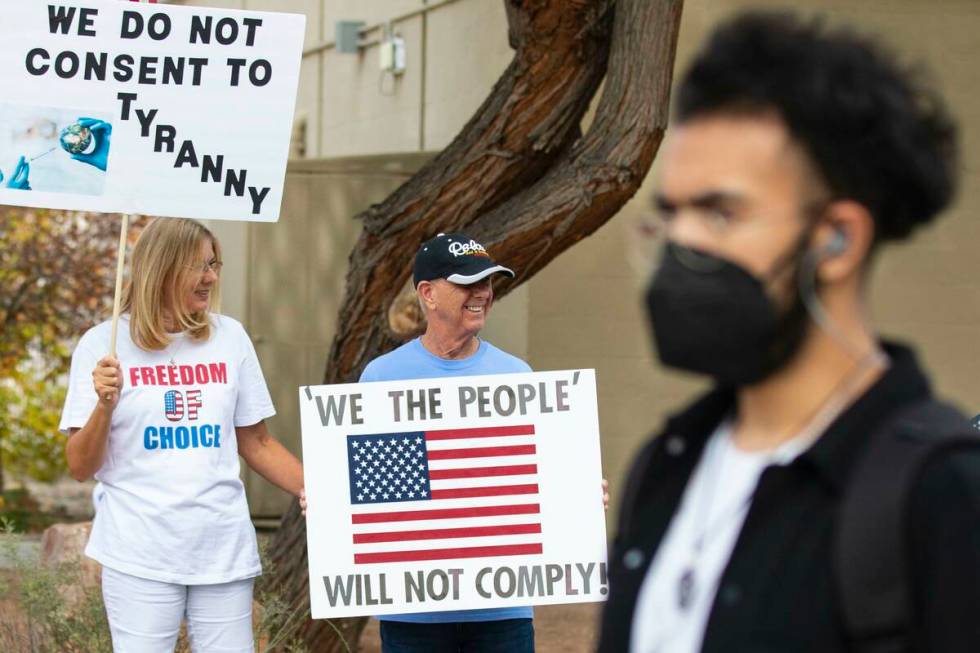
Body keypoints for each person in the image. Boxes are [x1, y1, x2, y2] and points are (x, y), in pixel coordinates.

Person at [598, 11, 980, 653]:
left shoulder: (942, 497)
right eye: (670, 215)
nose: (682, 244)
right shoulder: (666, 469)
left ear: (837, 239)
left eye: (721, 212)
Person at [61, 218, 304, 653]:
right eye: (200, 266)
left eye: (215, 264)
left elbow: (258, 442)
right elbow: (81, 466)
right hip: (140, 552)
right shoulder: (103, 346)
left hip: (222, 548)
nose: (212, 277)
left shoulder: (230, 337)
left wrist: (318, 489)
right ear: (163, 268)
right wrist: (104, 404)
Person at [356, 232, 536, 653]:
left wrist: (576, 495)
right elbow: (375, 490)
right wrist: (334, 502)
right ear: (428, 293)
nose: (482, 294)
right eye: (467, 283)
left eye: (488, 283)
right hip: (414, 609)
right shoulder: (381, 378)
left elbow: (533, 478)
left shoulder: (518, 377)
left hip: (502, 609)